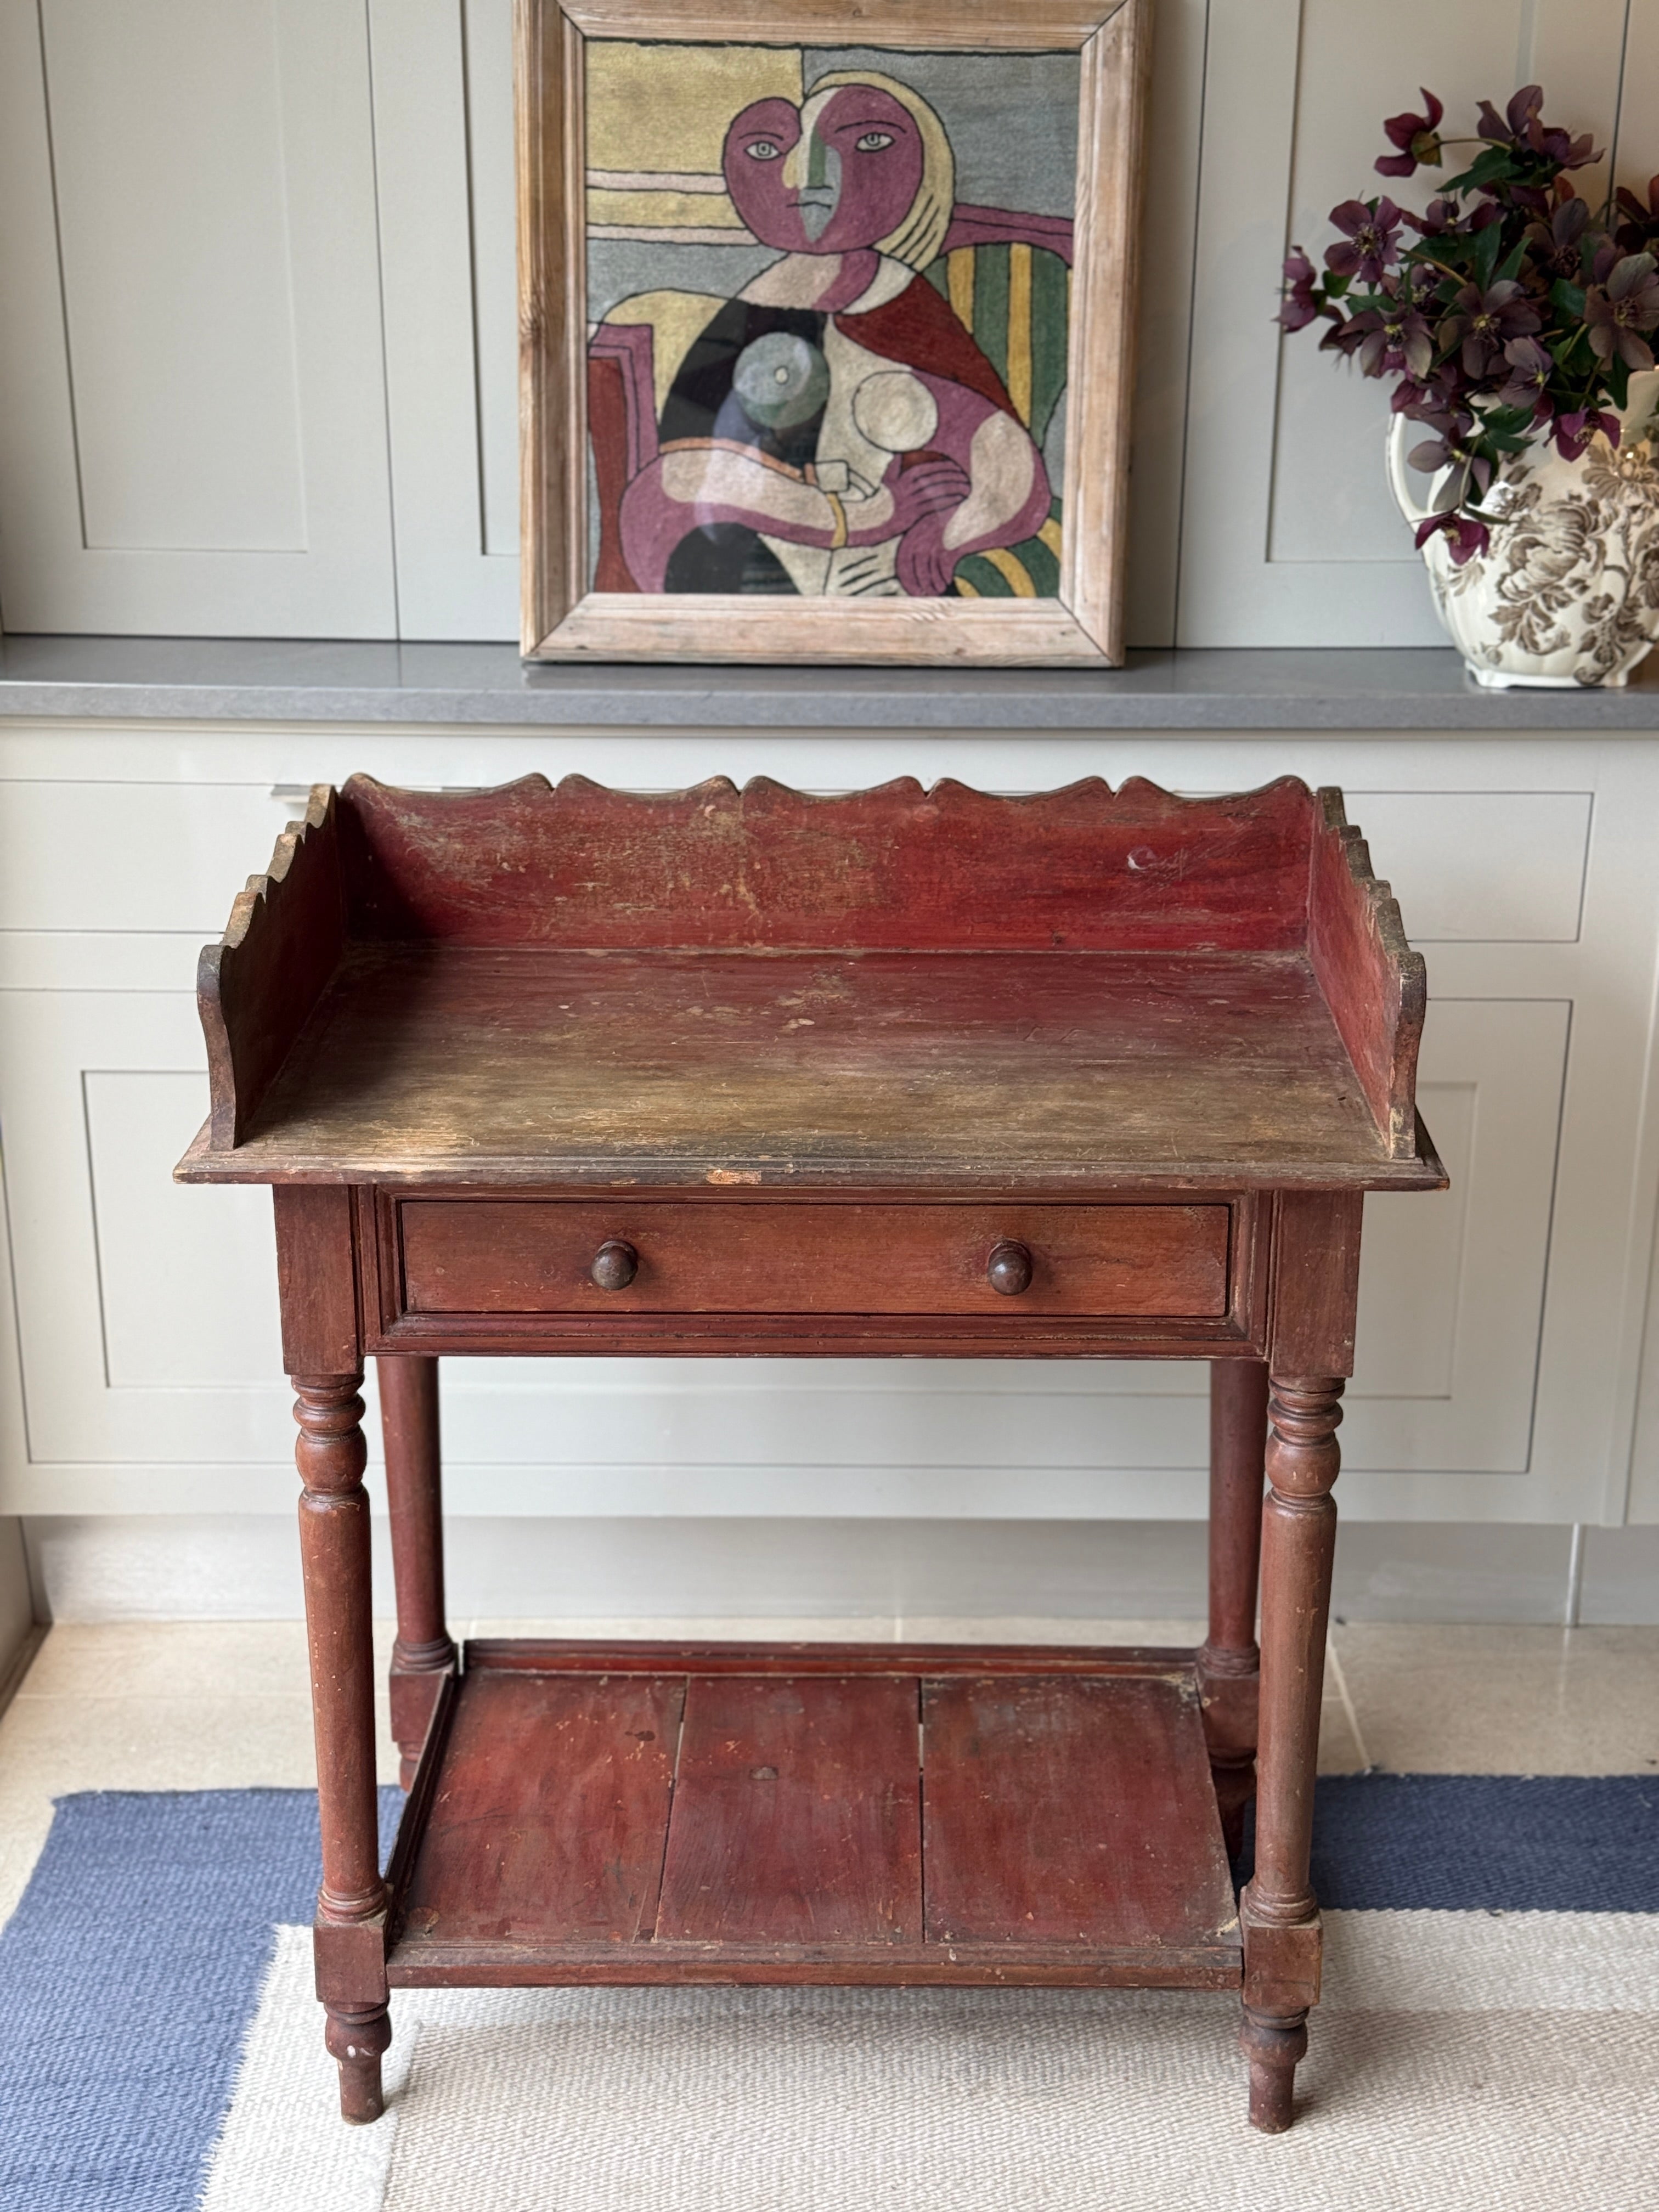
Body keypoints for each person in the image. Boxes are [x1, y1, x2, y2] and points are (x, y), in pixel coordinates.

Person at [612, 73, 1053, 599]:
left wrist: (950, 534)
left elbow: (1008, 469)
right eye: (765, 150)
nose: (809, 180)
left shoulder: (905, 306)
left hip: (884, 578)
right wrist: (864, 515)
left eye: (868, 143)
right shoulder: (755, 308)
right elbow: (679, 483)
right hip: (758, 562)